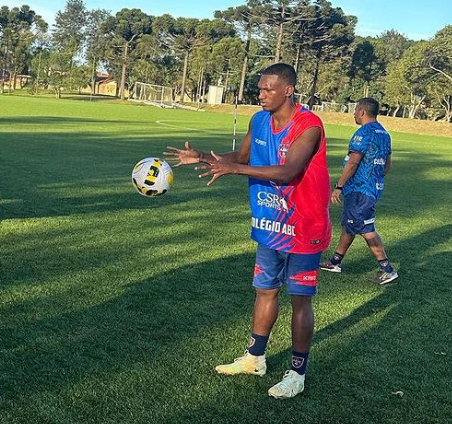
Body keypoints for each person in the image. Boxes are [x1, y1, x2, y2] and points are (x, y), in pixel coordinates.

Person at [165, 63, 330, 400]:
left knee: (300, 300)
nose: (262, 94)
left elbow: (288, 171)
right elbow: (239, 156)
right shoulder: (258, 121)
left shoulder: (308, 124)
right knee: (264, 290)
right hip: (270, 222)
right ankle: (255, 358)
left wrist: (235, 169)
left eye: (269, 88)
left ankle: (297, 372)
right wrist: (202, 158)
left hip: (304, 226)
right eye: (260, 88)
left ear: (288, 90)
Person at [321, 98, 397, 284]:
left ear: (362, 111)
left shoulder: (363, 133)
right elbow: (387, 165)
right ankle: (335, 261)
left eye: (355, 110)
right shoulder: (384, 134)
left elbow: (353, 162)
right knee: (350, 224)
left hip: (359, 190)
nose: (354, 114)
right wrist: (375, 179)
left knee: (366, 228)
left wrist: (339, 186)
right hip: (371, 188)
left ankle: (387, 269)